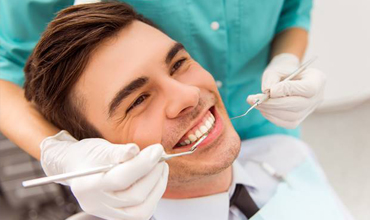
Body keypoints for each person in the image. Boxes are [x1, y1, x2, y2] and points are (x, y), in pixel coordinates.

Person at [23, 3, 351, 220]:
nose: (189, 95)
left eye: (179, 64)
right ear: (98, 148)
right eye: (137, 100)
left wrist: (286, 60)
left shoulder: (290, 155)